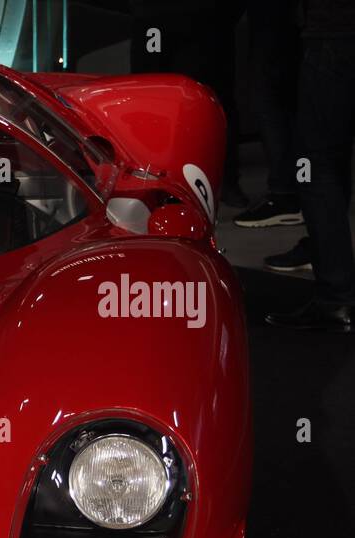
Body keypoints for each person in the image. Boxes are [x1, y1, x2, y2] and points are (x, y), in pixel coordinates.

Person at [266, 0, 355, 331]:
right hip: (333, 33)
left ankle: (336, 296)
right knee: (323, 163)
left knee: (317, 164)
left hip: (334, 35)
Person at [129, 0, 248, 208]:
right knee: (208, 99)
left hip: (164, 18)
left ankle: (158, 181)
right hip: (204, 17)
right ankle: (222, 181)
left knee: (153, 99)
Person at [234, 0, 303, 230]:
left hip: (278, 18)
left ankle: (287, 195)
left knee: (271, 100)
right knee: (278, 100)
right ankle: (292, 192)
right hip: (284, 19)